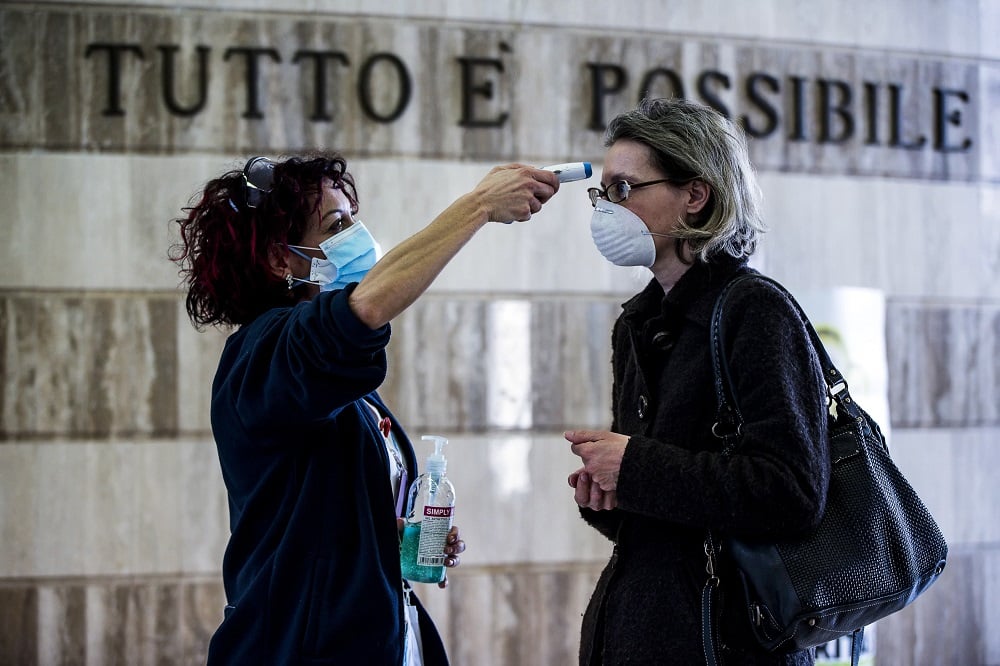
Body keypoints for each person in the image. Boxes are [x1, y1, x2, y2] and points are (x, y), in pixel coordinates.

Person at [170, 152, 560, 665]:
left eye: (353, 218)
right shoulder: (265, 354)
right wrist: (479, 206)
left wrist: (383, 536)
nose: (358, 236)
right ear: (278, 259)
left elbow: (312, 513)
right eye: (337, 225)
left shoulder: (320, 375)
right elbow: (363, 311)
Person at [565, 97, 831, 665]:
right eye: (602, 192)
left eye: (623, 188)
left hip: (724, 641)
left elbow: (792, 492)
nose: (607, 209)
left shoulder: (755, 311)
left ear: (694, 194)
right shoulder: (638, 322)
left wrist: (634, 467)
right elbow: (677, 524)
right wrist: (611, 497)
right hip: (641, 630)